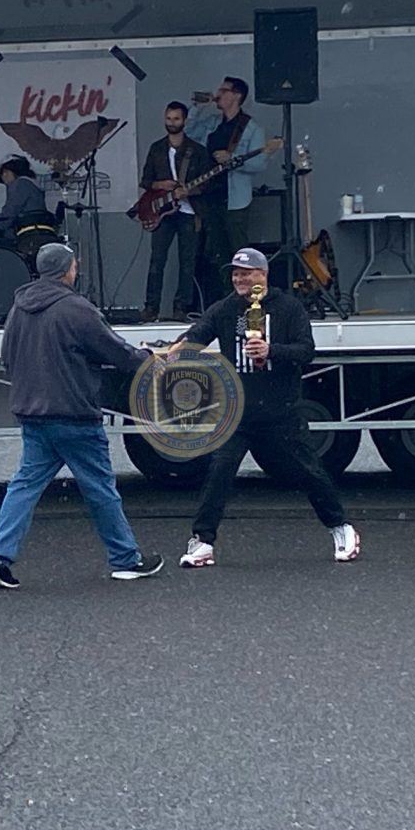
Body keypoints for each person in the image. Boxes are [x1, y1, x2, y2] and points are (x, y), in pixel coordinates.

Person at [0, 241, 165, 588]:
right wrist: (148, 359)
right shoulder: (77, 308)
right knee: (99, 488)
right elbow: (115, 351)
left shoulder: (19, 308)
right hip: (73, 413)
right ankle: (126, 559)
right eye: (74, 265)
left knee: (24, 486)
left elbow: (7, 357)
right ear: (67, 270)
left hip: (33, 413)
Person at [164, 246, 359, 568]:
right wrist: (175, 351)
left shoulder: (289, 308)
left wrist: (271, 351)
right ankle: (203, 541)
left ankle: (341, 527)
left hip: (280, 411)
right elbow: (198, 333)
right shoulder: (225, 309)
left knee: (308, 472)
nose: (239, 279)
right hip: (238, 413)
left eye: (246, 274)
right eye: (235, 274)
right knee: (219, 473)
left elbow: (306, 351)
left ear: (263, 275)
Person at [190, 77, 263, 288]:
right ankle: (226, 296)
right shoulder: (212, 123)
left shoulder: (252, 128)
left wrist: (232, 159)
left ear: (237, 96)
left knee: (239, 252)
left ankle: (246, 295)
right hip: (210, 196)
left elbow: (259, 163)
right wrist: (197, 108)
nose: (218, 94)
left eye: (223, 90)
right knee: (217, 252)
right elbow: (188, 134)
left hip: (235, 200)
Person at [139, 101, 203, 319]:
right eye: (168, 118)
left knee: (187, 261)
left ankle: (181, 307)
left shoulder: (197, 150)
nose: (172, 123)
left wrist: (190, 192)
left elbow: (210, 183)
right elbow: (145, 180)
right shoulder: (156, 148)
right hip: (163, 211)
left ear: (184, 121)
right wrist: (160, 184)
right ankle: (151, 307)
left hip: (189, 211)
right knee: (157, 259)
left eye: (176, 119)